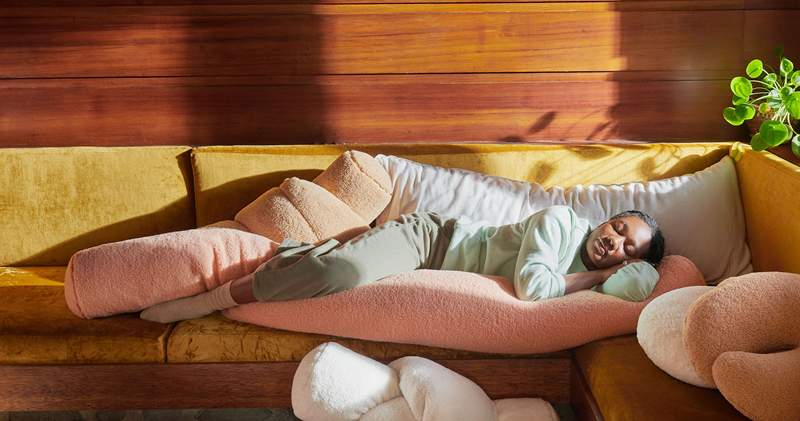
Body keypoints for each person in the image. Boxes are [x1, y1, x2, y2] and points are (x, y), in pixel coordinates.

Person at [139, 205, 665, 323]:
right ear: (604, 220)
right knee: (336, 275)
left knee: (335, 270)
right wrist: (598, 277)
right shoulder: (559, 222)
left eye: (629, 250)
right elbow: (532, 287)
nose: (615, 244)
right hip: (430, 243)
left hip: (434, 264)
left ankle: (299, 252)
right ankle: (208, 300)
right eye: (618, 229)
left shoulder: (586, 265)